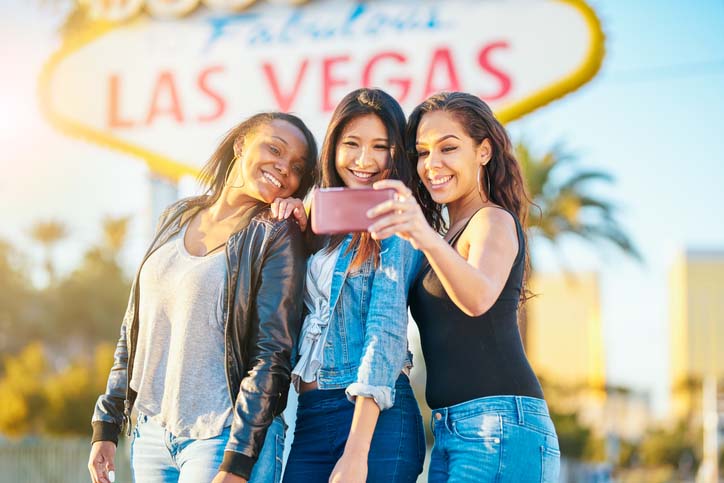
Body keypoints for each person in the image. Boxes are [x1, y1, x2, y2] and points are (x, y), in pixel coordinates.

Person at [87, 112, 317, 483]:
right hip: (151, 434)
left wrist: (238, 461)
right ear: (241, 143)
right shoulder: (176, 216)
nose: (284, 168)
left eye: (296, 167)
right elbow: (135, 329)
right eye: (274, 148)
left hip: (224, 436)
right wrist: (107, 422)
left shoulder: (277, 234)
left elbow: (273, 354)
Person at [368, 92, 561, 482]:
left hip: (500, 426)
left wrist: (423, 234)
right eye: (422, 152)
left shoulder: (491, 221)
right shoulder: (443, 237)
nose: (432, 164)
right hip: (451, 430)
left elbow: (478, 298)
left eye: (448, 148)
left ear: (484, 151)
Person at [281, 88, 425, 483]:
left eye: (380, 146)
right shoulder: (316, 223)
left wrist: (356, 450)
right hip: (310, 417)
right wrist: (289, 229)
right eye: (352, 144)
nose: (365, 161)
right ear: (333, 147)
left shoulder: (397, 222)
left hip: (373, 422)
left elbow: (387, 331)